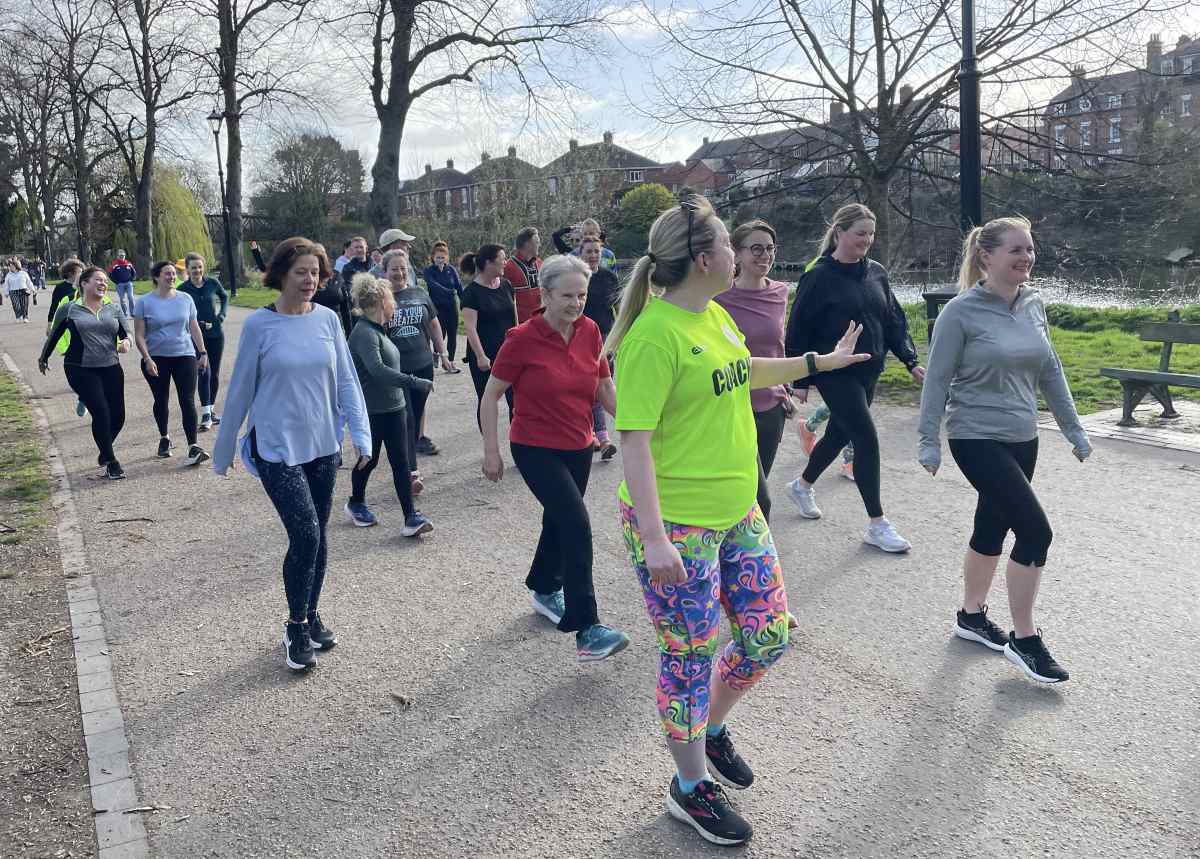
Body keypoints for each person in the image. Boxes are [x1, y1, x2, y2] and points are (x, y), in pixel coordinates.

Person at [608, 195, 870, 846]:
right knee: (690, 657)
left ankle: (712, 728)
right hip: (679, 527)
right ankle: (689, 785)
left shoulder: (715, 316)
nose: (740, 253)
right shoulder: (653, 336)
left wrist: (819, 363)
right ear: (704, 259)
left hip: (737, 510)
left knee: (769, 636)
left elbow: (744, 368)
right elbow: (633, 441)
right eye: (729, 243)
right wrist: (654, 536)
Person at [918, 216, 1090, 684]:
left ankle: (971, 616)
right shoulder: (960, 312)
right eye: (1015, 250)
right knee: (1035, 532)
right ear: (986, 257)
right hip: (975, 436)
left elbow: (1050, 371)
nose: (1025, 258)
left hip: (1022, 436)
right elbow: (937, 379)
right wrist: (928, 440)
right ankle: (1025, 638)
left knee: (991, 523)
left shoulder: (1034, 305)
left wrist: (1073, 430)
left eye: (1030, 250)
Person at [212, 237, 371, 673]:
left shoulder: (327, 320)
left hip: (322, 444)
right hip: (277, 448)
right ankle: (297, 626)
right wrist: (223, 451)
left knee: (319, 534)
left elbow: (346, 382)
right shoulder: (260, 326)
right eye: (301, 271)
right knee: (305, 536)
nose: (310, 280)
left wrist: (361, 435)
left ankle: (312, 611)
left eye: (316, 272)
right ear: (281, 273)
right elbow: (241, 388)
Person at [480, 254, 631, 662]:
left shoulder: (591, 330)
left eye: (581, 295)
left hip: (578, 444)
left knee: (559, 517)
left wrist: (639, 424)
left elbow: (604, 387)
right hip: (534, 446)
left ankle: (544, 584)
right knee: (577, 523)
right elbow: (491, 394)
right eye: (567, 295)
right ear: (544, 295)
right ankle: (587, 627)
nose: (576, 303)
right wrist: (491, 451)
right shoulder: (521, 338)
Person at [783, 203, 924, 553]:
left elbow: (892, 319)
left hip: (868, 369)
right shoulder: (818, 275)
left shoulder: (875, 271)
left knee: (836, 434)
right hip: (834, 371)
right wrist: (800, 377)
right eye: (860, 233)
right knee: (866, 437)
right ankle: (877, 524)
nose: (867, 240)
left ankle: (801, 486)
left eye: (871, 234)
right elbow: (798, 325)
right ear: (839, 232)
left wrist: (910, 360)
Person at [714, 219, 792, 523]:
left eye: (770, 248)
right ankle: (759, 566)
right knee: (760, 500)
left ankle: (736, 557)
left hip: (771, 407)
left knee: (749, 500)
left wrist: (785, 390)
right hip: (733, 407)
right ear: (738, 254)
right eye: (756, 249)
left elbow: (778, 345)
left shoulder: (781, 293)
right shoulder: (719, 298)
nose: (765, 256)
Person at [345, 276, 434, 536]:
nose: (395, 304)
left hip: (394, 408)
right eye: (391, 300)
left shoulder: (379, 331)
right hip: (373, 412)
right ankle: (355, 502)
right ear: (381, 302)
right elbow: (378, 371)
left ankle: (410, 517)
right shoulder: (363, 333)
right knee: (368, 460)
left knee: (401, 463)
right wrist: (415, 381)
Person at [38, 266, 132, 480]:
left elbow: (126, 333)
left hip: (110, 366)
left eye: (105, 281)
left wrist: (126, 342)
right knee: (100, 411)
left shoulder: (113, 308)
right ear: (84, 283)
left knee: (118, 416)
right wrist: (43, 358)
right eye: (98, 280)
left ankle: (104, 448)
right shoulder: (70, 309)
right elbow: (54, 336)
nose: (103, 284)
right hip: (79, 368)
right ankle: (111, 461)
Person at [378, 248, 452, 488]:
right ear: (384, 271)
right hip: (397, 371)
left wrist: (443, 352)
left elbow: (433, 323)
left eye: (403, 268)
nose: (399, 273)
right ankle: (410, 472)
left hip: (422, 366)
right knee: (407, 420)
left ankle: (405, 464)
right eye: (394, 269)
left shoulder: (419, 293)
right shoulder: (379, 298)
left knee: (415, 417)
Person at [133, 261, 210, 466]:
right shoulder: (144, 302)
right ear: (157, 277)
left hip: (184, 354)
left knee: (187, 399)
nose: (172, 276)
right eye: (167, 274)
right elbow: (139, 335)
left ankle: (193, 446)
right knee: (161, 399)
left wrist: (202, 352)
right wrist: (147, 358)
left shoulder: (186, 299)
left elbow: (194, 328)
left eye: (174, 273)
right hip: (156, 358)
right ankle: (164, 437)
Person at [461, 244, 517, 428]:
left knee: (516, 399)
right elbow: (470, 328)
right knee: (487, 399)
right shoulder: (471, 293)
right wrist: (480, 355)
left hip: (509, 352)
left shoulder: (507, 285)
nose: (506, 263)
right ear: (488, 263)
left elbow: (514, 320)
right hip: (484, 356)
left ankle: (519, 441)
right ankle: (489, 445)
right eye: (502, 259)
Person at [578, 236, 621, 459]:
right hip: (580, 337)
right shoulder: (577, 278)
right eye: (589, 252)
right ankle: (602, 438)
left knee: (604, 385)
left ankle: (593, 433)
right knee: (594, 387)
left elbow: (619, 307)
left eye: (596, 251)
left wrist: (621, 336)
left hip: (606, 337)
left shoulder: (609, 277)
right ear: (581, 254)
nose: (593, 255)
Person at [178, 253, 229, 432]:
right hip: (196, 337)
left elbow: (224, 297)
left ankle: (211, 410)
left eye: (199, 267)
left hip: (215, 334)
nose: (197, 270)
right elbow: (179, 310)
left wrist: (222, 315)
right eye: (193, 268)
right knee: (203, 371)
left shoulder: (212, 283)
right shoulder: (183, 289)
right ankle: (206, 413)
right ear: (188, 269)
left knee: (214, 373)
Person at [422, 241, 464, 372]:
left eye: (443, 257)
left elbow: (458, 286)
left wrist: (466, 302)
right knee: (441, 334)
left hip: (451, 306)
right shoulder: (429, 271)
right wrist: (449, 291)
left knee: (452, 334)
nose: (440, 260)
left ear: (447, 257)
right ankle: (436, 353)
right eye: (438, 257)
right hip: (436, 307)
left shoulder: (451, 270)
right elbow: (433, 285)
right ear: (433, 257)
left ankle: (450, 362)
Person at [503, 227, 542, 323]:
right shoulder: (508, 267)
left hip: (540, 321)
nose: (539, 245)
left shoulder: (540, 263)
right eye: (537, 242)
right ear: (527, 244)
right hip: (520, 324)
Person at [552, 218, 617, 271]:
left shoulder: (609, 256)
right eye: (585, 234)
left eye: (591, 233)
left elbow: (614, 277)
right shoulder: (573, 256)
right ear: (582, 235)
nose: (588, 236)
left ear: (599, 234)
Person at [47, 258, 84, 329]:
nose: (81, 274)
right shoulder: (60, 288)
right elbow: (54, 306)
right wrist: (49, 323)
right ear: (70, 273)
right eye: (79, 272)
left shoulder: (83, 286)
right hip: (66, 320)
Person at [4, 257, 35, 322]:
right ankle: (18, 316)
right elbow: (6, 284)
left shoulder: (23, 273)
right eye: (10, 266)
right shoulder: (8, 275)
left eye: (12, 266)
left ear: (16, 266)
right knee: (16, 305)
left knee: (24, 305)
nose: (10, 268)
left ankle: (25, 317)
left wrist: (33, 289)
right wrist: (6, 293)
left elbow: (29, 282)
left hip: (23, 290)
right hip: (13, 292)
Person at [108, 250, 137, 317]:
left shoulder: (128, 263)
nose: (122, 257)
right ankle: (125, 313)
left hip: (128, 283)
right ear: (117, 256)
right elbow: (110, 275)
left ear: (125, 256)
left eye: (123, 256)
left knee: (131, 297)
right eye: (120, 256)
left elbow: (134, 272)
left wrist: (132, 279)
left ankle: (132, 313)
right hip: (120, 285)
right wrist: (116, 282)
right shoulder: (114, 264)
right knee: (122, 299)